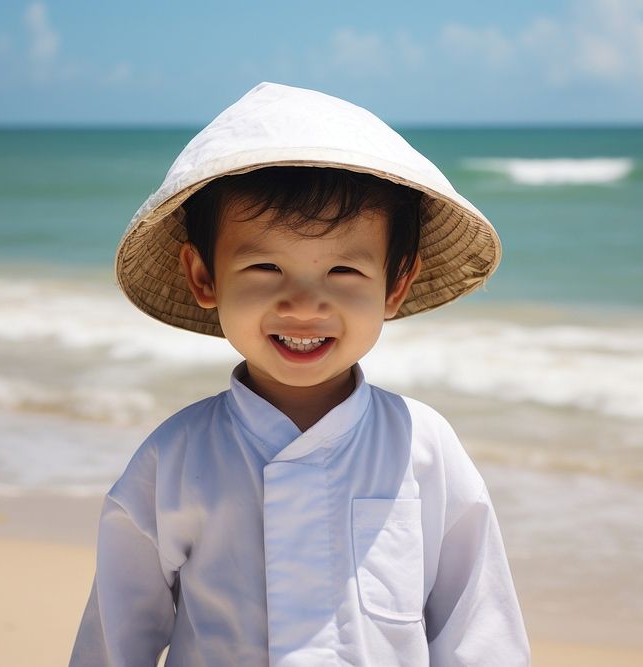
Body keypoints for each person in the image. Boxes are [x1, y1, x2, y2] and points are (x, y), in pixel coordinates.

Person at [70, 82, 529, 666]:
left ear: (396, 283)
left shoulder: (425, 447)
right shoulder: (175, 458)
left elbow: (478, 629)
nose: (304, 305)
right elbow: (115, 638)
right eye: (265, 266)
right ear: (203, 275)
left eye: (343, 270)